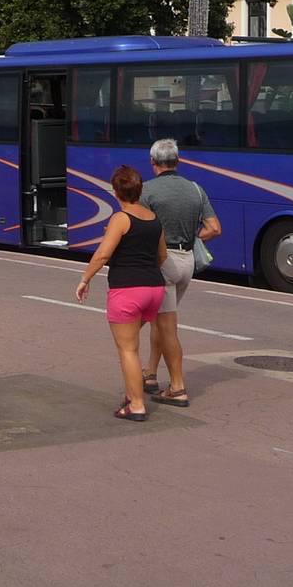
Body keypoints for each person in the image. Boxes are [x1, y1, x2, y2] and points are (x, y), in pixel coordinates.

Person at [75, 165, 167, 422]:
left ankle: (136, 404)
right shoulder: (153, 218)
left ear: (116, 192)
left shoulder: (120, 219)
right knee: (132, 345)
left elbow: (103, 254)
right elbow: (162, 255)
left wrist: (85, 279)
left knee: (128, 349)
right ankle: (131, 394)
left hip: (127, 290)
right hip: (154, 289)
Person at [138, 139, 221, 408]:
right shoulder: (195, 189)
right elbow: (214, 228)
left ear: (153, 162)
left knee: (168, 328)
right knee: (160, 321)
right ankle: (150, 374)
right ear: (178, 161)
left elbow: (139, 229)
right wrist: (193, 238)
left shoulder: (147, 191)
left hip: (162, 262)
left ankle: (177, 387)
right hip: (187, 262)